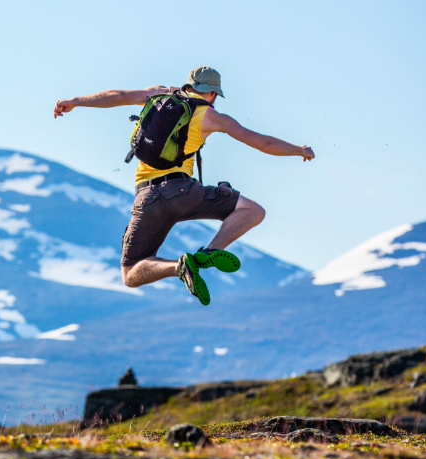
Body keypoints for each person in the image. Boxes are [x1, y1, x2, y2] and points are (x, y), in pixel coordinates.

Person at [53, 66, 315, 305]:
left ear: (188, 84)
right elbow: (263, 143)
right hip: (185, 193)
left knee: (131, 273)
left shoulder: (158, 95)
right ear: (213, 93)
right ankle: (209, 252)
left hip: (147, 198)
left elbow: (118, 96)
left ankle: (178, 266)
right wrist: (298, 149)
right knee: (253, 211)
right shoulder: (211, 116)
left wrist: (75, 101)